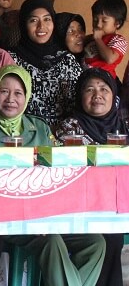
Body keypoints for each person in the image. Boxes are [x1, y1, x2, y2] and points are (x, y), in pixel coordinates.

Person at [0, 65, 107, 286]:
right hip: (4, 216)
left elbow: (56, 173)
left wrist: (46, 214)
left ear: (27, 96)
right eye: (4, 91)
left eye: (18, 93)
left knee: (95, 243)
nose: (11, 99)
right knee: (52, 242)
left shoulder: (40, 129)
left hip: (46, 213)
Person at [54, 68, 126, 286]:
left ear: (114, 96)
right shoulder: (68, 129)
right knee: (108, 237)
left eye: (104, 89)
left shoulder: (124, 127)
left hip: (120, 203)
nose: (98, 94)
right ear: (79, 96)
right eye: (90, 89)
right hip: (81, 206)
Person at [10, 0, 82, 124]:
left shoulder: (68, 61)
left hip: (64, 136)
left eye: (47, 19)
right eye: (33, 20)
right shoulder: (11, 60)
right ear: (23, 24)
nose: (41, 26)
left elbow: (81, 105)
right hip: (25, 136)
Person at [83, 0, 127, 79]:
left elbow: (109, 59)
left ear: (118, 23)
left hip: (103, 82)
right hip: (85, 79)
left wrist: (98, 39)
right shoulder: (91, 39)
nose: (98, 25)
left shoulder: (119, 40)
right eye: (95, 20)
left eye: (104, 21)